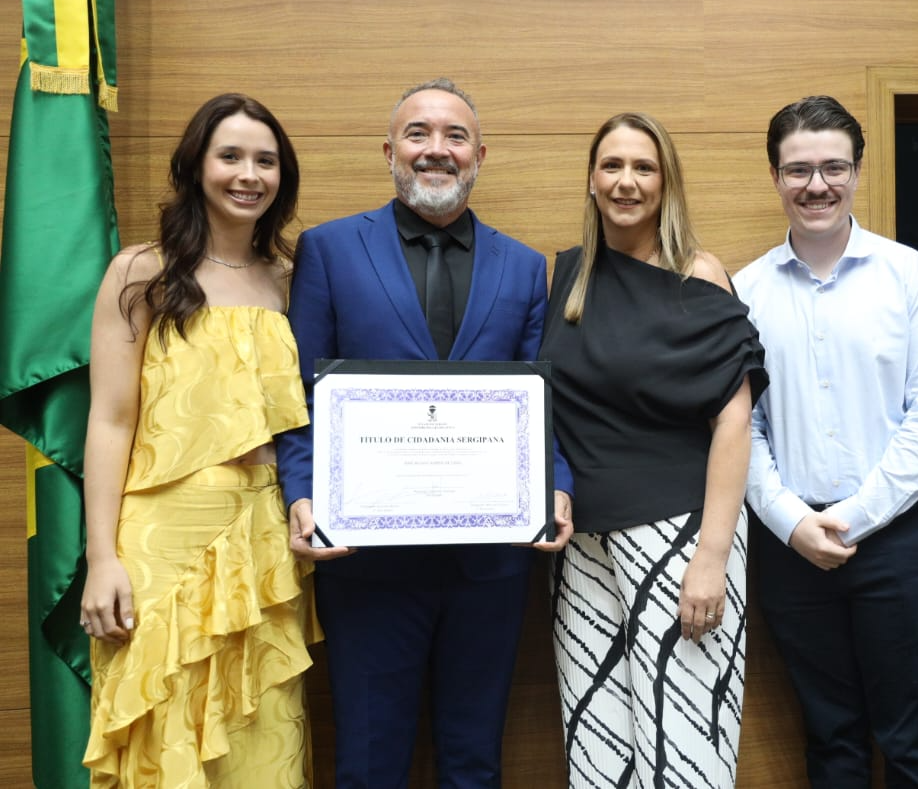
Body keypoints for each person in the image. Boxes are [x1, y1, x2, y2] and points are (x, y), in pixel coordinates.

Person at [276, 78, 573, 789]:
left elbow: (540, 401)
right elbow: (299, 394)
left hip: (491, 563)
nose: (436, 149)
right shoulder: (328, 249)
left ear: (479, 156)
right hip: (365, 561)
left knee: (474, 761)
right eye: (418, 133)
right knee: (369, 762)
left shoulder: (524, 266)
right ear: (389, 151)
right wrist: (300, 493)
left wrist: (557, 485)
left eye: (455, 136)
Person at [79, 94, 317, 786]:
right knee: (163, 738)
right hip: (160, 546)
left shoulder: (294, 279)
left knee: (261, 741)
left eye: (265, 161)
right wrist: (101, 557)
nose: (249, 174)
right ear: (195, 166)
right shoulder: (141, 272)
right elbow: (111, 420)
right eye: (230, 156)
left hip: (266, 540)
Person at [735, 96, 918, 788]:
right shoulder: (745, 291)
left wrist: (854, 516)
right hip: (792, 548)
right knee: (831, 741)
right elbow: (742, 427)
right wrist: (792, 520)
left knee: (913, 742)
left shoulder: (910, 275)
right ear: (775, 177)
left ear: (857, 171)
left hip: (901, 540)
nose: (817, 185)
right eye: (798, 170)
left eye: (833, 167)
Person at [539, 112, 767, 788]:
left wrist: (712, 557)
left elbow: (735, 419)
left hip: (680, 537)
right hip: (582, 545)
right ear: (591, 178)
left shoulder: (698, 275)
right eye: (612, 165)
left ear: (666, 182)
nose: (626, 181)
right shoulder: (570, 275)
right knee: (597, 753)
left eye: (644, 167)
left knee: (686, 758)